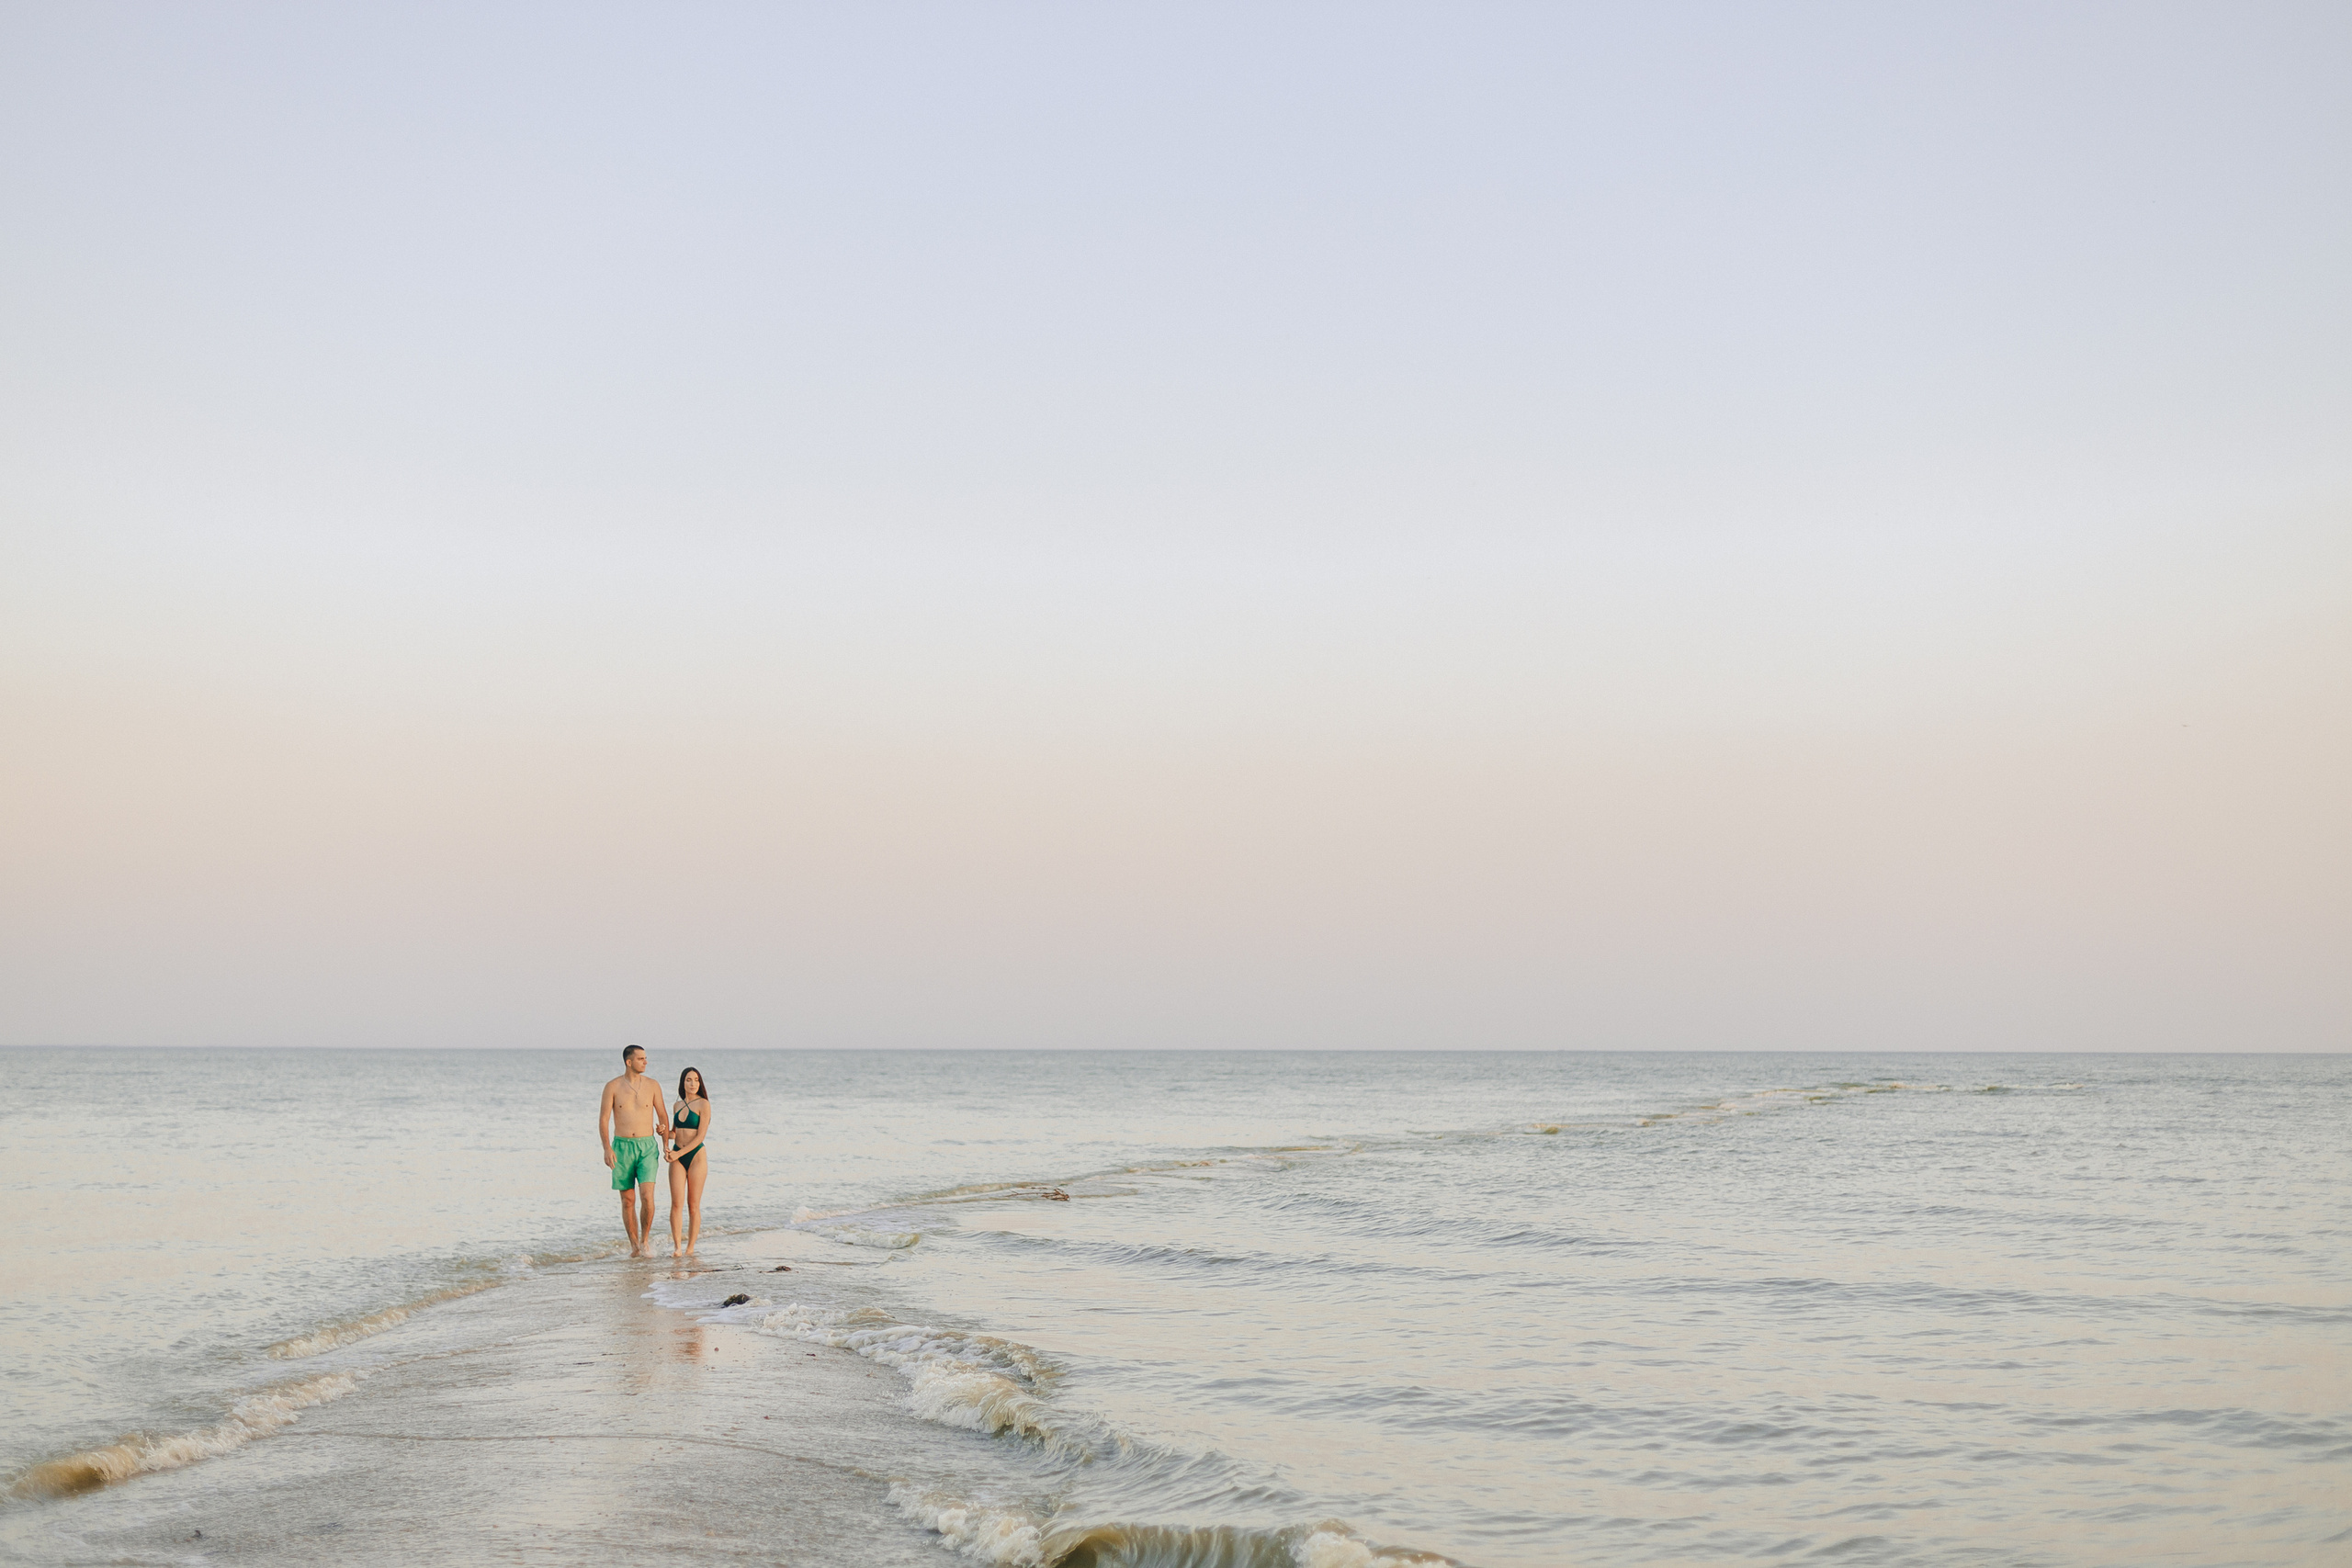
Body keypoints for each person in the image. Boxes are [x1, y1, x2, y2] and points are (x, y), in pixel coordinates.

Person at [599, 1044, 671, 1258]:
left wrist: (665, 1140)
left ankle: (645, 1240)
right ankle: (634, 1247)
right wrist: (607, 1148)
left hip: (647, 1146)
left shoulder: (653, 1085)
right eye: (641, 1059)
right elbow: (603, 1119)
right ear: (629, 1062)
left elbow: (663, 1116)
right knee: (628, 1200)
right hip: (621, 1147)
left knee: (647, 1196)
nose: (645, 1062)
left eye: (646, 1058)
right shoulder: (612, 1086)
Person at [663, 1066, 713, 1258]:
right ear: (682, 1082)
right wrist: (664, 1133)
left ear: (700, 1084)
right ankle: (677, 1247)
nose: (693, 1084)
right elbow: (675, 1133)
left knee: (693, 1204)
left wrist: (679, 1153)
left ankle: (690, 1248)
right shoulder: (677, 1105)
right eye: (688, 1080)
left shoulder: (704, 1104)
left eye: (696, 1080)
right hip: (677, 1155)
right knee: (676, 1204)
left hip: (696, 1157)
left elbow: (700, 1136)